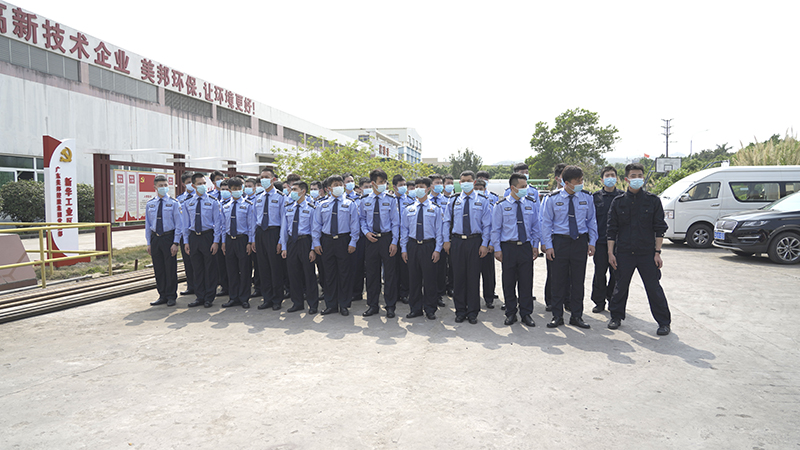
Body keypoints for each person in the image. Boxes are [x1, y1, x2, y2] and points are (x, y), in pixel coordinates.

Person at [606, 163, 672, 336]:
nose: (637, 179)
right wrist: (610, 253)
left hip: (647, 253)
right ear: (626, 179)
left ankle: (664, 322)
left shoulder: (653, 201)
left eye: (640, 176)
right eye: (633, 176)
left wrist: (657, 253)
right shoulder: (618, 202)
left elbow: (660, 228)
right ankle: (616, 317)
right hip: (624, 252)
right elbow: (611, 230)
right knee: (620, 287)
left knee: (654, 288)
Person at [540, 165, 598, 329]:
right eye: (577, 181)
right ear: (566, 183)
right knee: (558, 281)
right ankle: (557, 316)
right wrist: (548, 246)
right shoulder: (552, 198)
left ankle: (577, 316)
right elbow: (546, 223)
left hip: (580, 241)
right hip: (560, 242)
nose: (581, 183)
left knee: (578, 281)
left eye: (581, 180)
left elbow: (591, 220)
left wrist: (592, 242)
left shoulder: (586, 197)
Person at [443, 170, 492, 324]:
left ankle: (472, 312)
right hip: (457, 241)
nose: (466, 183)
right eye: (463, 181)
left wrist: (484, 244)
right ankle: (460, 311)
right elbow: (446, 221)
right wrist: (446, 241)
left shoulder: (482, 200)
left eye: (468, 180)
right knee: (458, 277)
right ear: (459, 182)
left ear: (474, 182)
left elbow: (487, 225)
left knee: (473, 277)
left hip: (475, 241)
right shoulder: (453, 200)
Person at [491, 173, 540, 326]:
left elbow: (535, 226)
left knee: (526, 281)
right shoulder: (500, 205)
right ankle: (511, 313)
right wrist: (497, 249)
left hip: (525, 247)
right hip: (508, 247)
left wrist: (535, 245)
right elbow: (496, 229)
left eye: (526, 186)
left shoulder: (530, 203)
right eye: (522, 187)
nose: (526, 189)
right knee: (509, 282)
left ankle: (526, 313)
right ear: (513, 187)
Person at [313, 175, 360, 316]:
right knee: (329, 274)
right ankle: (331, 305)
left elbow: (355, 225)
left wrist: (353, 242)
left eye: (340, 184)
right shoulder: (322, 205)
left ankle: (344, 304)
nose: (339, 186)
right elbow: (316, 225)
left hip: (343, 241)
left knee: (344, 274)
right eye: (335, 184)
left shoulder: (350, 204)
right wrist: (316, 243)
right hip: (327, 241)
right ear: (328, 188)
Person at [400, 177, 443, 320]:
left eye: (422, 186)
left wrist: (437, 250)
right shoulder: (408, 209)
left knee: (430, 279)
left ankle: (430, 309)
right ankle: (415, 308)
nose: (418, 189)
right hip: (413, 245)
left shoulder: (435, 209)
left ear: (428, 189)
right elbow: (404, 231)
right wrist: (404, 249)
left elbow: (439, 231)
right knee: (414, 279)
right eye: (416, 186)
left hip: (428, 245)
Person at [359, 169, 401, 318]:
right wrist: (366, 233)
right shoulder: (364, 200)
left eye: (385, 182)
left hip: (386, 239)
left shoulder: (391, 199)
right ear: (373, 183)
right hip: (371, 240)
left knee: (389, 274)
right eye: (381, 182)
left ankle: (390, 306)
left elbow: (395, 222)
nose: (383, 184)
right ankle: (373, 305)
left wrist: (394, 242)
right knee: (371, 274)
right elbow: (362, 219)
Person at [182, 173, 223, 308]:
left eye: (204, 183)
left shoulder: (213, 201)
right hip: (194, 237)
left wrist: (215, 242)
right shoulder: (188, 202)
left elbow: (217, 223)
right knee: (197, 268)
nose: (202, 186)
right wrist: (186, 242)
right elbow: (185, 224)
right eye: (199, 184)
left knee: (210, 268)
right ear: (193, 186)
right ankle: (199, 296)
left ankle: (209, 297)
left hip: (208, 236)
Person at [280, 181, 319, 314]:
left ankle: (313, 304)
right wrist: (284, 247)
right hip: (292, 242)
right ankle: (297, 303)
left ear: (303, 191)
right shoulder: (288, 207)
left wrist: (313, 249)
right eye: (291, 189)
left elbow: (314, 229)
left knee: (309, 274)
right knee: (293, 274)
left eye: (295, 189)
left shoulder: (311, 208)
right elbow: (284, 229)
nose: (292, 192)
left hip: (305, 242)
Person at [145, 175, 183, 307]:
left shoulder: (174, 203)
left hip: (168, 237)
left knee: (170, 268)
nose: (163, 188)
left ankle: (171, 296)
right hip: (155, 238)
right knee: (159, 268)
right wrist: (149, 243)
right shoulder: (150, 204)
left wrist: (176, 242)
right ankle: (162, 295)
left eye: (165, 185)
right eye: (160, 186)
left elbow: (179, 224)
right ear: (155, 187)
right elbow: (148, 225)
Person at [591, 166, 625, 313]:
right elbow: (590, 220)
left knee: (616, 273)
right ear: (602, 179)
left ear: (616, 178)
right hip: (600, 242)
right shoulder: (595, 197)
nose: (610, 178)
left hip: (618, 243)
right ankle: (599, 302)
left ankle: (613, 300)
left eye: (612, 175)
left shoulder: (623, 197)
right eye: (607, 175)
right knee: (599, 273)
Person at [221, 178, 256, 309]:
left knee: (245, 269)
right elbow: (223, 226)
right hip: (230, 240)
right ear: (230, 190)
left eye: (238, 188)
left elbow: (251, 225)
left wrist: (250, 242)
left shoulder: (248, 205)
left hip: (243, 240)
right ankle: (233, 297)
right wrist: (223, 242)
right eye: (234, 189)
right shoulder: (225, 206)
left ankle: (244, 298)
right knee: (231, 270)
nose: (236, 191)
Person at [254, 168, 287, 311]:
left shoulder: (281, 197)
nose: (264, 180)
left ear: (273, 179)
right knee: (263, 267)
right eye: (262, 177)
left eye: (267, 177)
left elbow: (284, 221)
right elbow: (254, 219)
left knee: (275, 268)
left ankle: (277, 299)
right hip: (260, 233)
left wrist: (281, 241)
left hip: (274, 232)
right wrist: (253, 239)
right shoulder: (258, 197)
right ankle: (267, 298)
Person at [541, 163, 569, 312]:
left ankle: (568, 300)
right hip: (554, 240)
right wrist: (544, 242)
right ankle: (551, 300)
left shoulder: (577, 196)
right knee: (554, 273)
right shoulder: (549, 197)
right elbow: (543, 221)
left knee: (570, 273)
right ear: (558, 178)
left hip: (571, 240)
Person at [392, 174, 413, 304]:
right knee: (393, 267)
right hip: (393, 237)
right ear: (394, 187)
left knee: (405, 266)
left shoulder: (410, 200)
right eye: (401, 185)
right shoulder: (390, 200)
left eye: (405, 185)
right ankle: (394, 293)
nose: (404, 187)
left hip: (407, 237)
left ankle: (405, 292)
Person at [429, 173, 449, 306]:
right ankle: (429, 295)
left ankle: (439, 295)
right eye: (437, 183)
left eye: (441, 183)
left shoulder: (447, 200)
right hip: (429, 238)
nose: (439, 185)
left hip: (442, 238)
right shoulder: (425, 200)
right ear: (430, 185)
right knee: (429, 269)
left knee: (441, 269)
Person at [351, 176, 372, 302]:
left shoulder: (374, 200)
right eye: (366, 187)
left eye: (370, 186)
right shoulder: (355, 201)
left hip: (371, 237)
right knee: (357, 265)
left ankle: (371, 293)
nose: (368, 189)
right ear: (360, 189)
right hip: (359, 237)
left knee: (371, 267)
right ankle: (356, 292)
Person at [176, 172, 196, 296]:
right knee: (187, 261)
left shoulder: (200, 197)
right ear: (183, 184)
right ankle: (191, 286)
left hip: (196, 233)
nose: (190, 185)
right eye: (188, 182)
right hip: (184, 234)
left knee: (198, 261)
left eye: (192, 182)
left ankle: (202, 286)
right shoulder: (179, 199)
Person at [216, 180, 231, 296]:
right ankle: (224, 286)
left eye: (227, 189)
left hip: (229, 236)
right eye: (223, 189)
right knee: (220, 263)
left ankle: (233, 287)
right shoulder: (216, 203)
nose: (225, 191)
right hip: (219, 236)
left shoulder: (232, 204)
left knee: (230, 264)